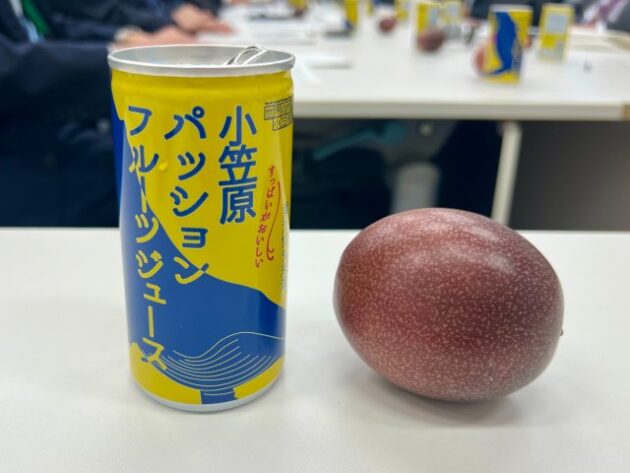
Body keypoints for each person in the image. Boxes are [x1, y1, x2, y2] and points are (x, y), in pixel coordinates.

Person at [0, 0, 191, 225]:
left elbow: (54, 28)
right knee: (166, 182)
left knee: (169, 161)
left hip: (54, 128)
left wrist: (123, 39)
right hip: (21, 155)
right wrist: (115, 60)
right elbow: (11, 67)